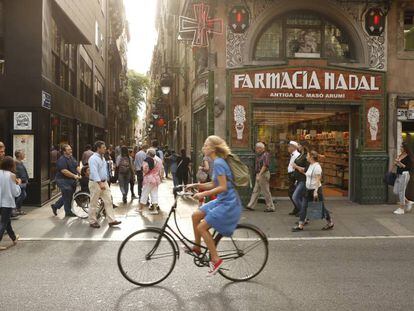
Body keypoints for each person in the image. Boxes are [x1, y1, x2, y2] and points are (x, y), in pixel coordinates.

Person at [185, 135, 242, 276]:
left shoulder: (219, 163)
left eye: (205, 145)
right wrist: (197, 185)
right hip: (222, 200)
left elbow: (222, 187)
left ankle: (216, 259)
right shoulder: (216, 162)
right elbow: (214, 183)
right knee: (195, 215)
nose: (203, 147)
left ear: (212, 148)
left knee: (201, 227)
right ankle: (197, 248)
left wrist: (203, 194)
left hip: (228, 202)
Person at [292, 151, 334, 232]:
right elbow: (307, 174)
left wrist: (315, 191)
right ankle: (300, 225)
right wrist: (298, 170)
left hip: (315, 190)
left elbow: (318, 179)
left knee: (321, 208)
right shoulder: (310, 165)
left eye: (307, 155)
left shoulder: (317, 166)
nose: (306, 157)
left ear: (311, 157)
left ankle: (330, 222)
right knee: (304, 207)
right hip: (308, 189)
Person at [88, 141, 121, 229]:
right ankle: (92, 221)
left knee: (108, 200)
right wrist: (99, 183)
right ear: (98, 148)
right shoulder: (93, 158)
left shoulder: (102, 158)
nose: (105, 148)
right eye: (103, 147)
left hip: (104, 182)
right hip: (96, 183)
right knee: (94, 202)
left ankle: (111, 220)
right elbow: (94, 171)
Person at [51, 144, 80, 217]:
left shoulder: (71, 157)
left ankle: (55, 206)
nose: (71, 150)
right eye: (68, 149)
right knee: (68, 192)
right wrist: (74, 175)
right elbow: (64, 171)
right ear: (64, 152)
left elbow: (77, 166)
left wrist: (81, 173)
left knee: (68, 195)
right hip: (62, 180)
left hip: (71, 180)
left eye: (71, 149)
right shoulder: (61, 160)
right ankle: (68, 212)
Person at [246, 142, 275, 212]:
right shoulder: (259, 155)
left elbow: (265, 165)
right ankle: (251, 205)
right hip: (259, 174)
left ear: (261, 148)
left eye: (257, 148)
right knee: (256, 190)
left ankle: (270, 206)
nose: (256, 149)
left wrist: (259, 174)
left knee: (265, 191)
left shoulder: (265, 155)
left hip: (263, 174)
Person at [0, 156, 22, 251]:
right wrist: (18, 184)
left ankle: (13, 238)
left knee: (7, 222)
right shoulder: (12, 176)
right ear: (11, 165)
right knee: (4, 222)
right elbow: (15, 192)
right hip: (7, 202)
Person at [138, 149, 163, 214]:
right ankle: (155, 210)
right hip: (156, 179)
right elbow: (161, 169)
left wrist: (143, 171)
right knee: (154, 194)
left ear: (148, 154)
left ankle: (140, 209)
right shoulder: (159, 160)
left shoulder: (149, 160)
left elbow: (145, 169)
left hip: (149, 179)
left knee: (144, 193)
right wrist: (161, 177)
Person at [393, 142, 414, 215]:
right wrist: (396, 163)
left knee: (401, 191)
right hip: (399, 175)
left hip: (404, 175)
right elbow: (397, 165)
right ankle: (408, 202)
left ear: (405, 148)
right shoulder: (401, 155)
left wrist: (400, 163)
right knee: (396, 191)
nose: (400, 148)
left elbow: (407, 167)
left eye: (402, 147)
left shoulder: (408, 156)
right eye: (400, 146)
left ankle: (401, 208)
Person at [291, 141, 310, 218]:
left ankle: (304, 213)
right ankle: (304, 216)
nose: (297, 146)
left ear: (303, 146)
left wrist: (296, 167)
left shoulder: (306, 156)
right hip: (298, 179)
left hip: (303, 180)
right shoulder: (300, 155)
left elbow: (306, 170)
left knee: (295, 197)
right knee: (301, 198)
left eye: (298, 145)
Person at [14, 150, 29, 216]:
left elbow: (24, 172)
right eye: (23, 153)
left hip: (23, 181)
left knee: (23, 195)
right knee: (22, 195)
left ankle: (17, 209)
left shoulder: (20, 162)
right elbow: (16, 173)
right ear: (19, 155)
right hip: (20, 182)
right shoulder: (16, 163)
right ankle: (16, 209)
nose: (24, 154)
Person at [287, 141, 301, 216]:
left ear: (293, 147)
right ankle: (296, 208)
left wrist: (295, 178)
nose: (288, 148)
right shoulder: (292, 155)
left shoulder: (297, 155)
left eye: (289, 146)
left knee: (292, 193)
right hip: (291, 175)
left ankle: (299, 208)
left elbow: (297, 166)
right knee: (292, 192)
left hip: (294, 175)